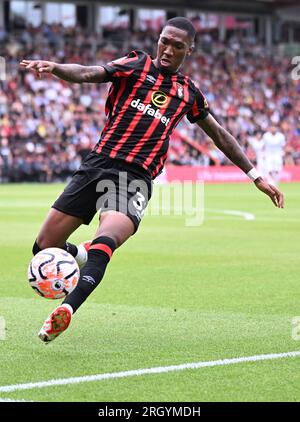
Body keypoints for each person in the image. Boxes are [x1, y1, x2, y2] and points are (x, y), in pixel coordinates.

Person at [20, 17, 284, 343]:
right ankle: (81, 256)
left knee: (107, 239)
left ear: (189, 50)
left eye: (177, 46)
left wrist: (255, 176)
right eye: (164, 41)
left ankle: (67, 309)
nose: (167, 50)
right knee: (43, 247)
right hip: (96, 166)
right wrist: (56, 67)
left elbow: (219, 135)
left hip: (135, 177)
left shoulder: (187, 92)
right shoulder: (136, 64)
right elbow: (91, 73)